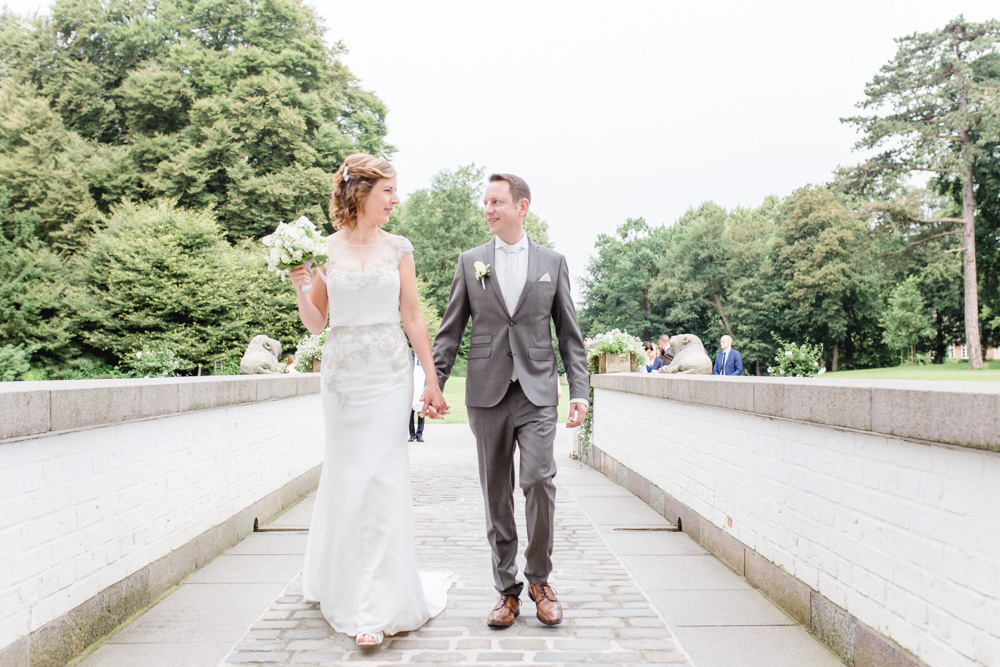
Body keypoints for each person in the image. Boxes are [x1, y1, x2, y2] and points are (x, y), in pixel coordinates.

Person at [287, 154, 452, 648]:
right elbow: (317, 323)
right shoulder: (325, 250)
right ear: (360, 192)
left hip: (386, 373)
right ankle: (339, 583)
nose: (395, 199)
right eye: (388, 191)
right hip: (341, 377)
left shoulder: (399, 248)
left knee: (381, 477)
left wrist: (433, 379)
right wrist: (301, 285)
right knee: (345, 475)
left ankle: (376, 607)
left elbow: (413, 316)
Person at [431, 173, 589, 629]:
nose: (488, 209)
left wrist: (579, 390)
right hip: (486, 392)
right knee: (496, 493)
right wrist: (435, 383)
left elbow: (570, 336)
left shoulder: (553, 262)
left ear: (522, 207)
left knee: (539, 480)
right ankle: (506, 590)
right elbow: (450, 329)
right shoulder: (470, 262)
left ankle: (540, 580)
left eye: (496, 201)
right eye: (485, 202)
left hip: (538, 391)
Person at [409, 352, 426, 442]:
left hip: (421, 388)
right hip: (412, 388)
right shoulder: (411, 356)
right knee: (410, 414)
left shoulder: (424, 358)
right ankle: (411, 435)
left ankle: (419, 434)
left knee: (421, 413)